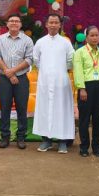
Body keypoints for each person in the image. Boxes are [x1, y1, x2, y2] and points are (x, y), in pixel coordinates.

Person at [32, 14, 75, 153]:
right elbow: (36, 60)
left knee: (62, 111)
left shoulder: (65, 42)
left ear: (60, 25)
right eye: (51, 22)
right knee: (44, 110)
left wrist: (59, 71)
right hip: (44, 82)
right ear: (46, 24)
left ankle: (62, 141)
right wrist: (47, 72)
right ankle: (46, 140)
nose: (53, 25)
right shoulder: (40, 42)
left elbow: (71, 60)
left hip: (61, 82)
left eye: (56, 22)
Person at [0, 13, 34, 149]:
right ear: (7, 24)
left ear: (21, 24)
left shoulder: (27, 40)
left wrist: (13, 71)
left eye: (17, 21)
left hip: (21, 78)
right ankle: (5, 136)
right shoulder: (0, 39)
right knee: (4, 108)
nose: (14, 23)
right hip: (5, 78)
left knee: (21, 108)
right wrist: (9, 73)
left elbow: (29, 59)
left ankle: (21, 137)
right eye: (11, 21)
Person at [73, 25, 99, 157]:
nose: (94, 38)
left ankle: (96, 147)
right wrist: (82, 88)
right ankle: (84, 147)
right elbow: (78, 71)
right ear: (86, 38)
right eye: (92, 35)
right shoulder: (80, 52)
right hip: (86, 87)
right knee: (84, 119)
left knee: (98, 119)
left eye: (97, 35)